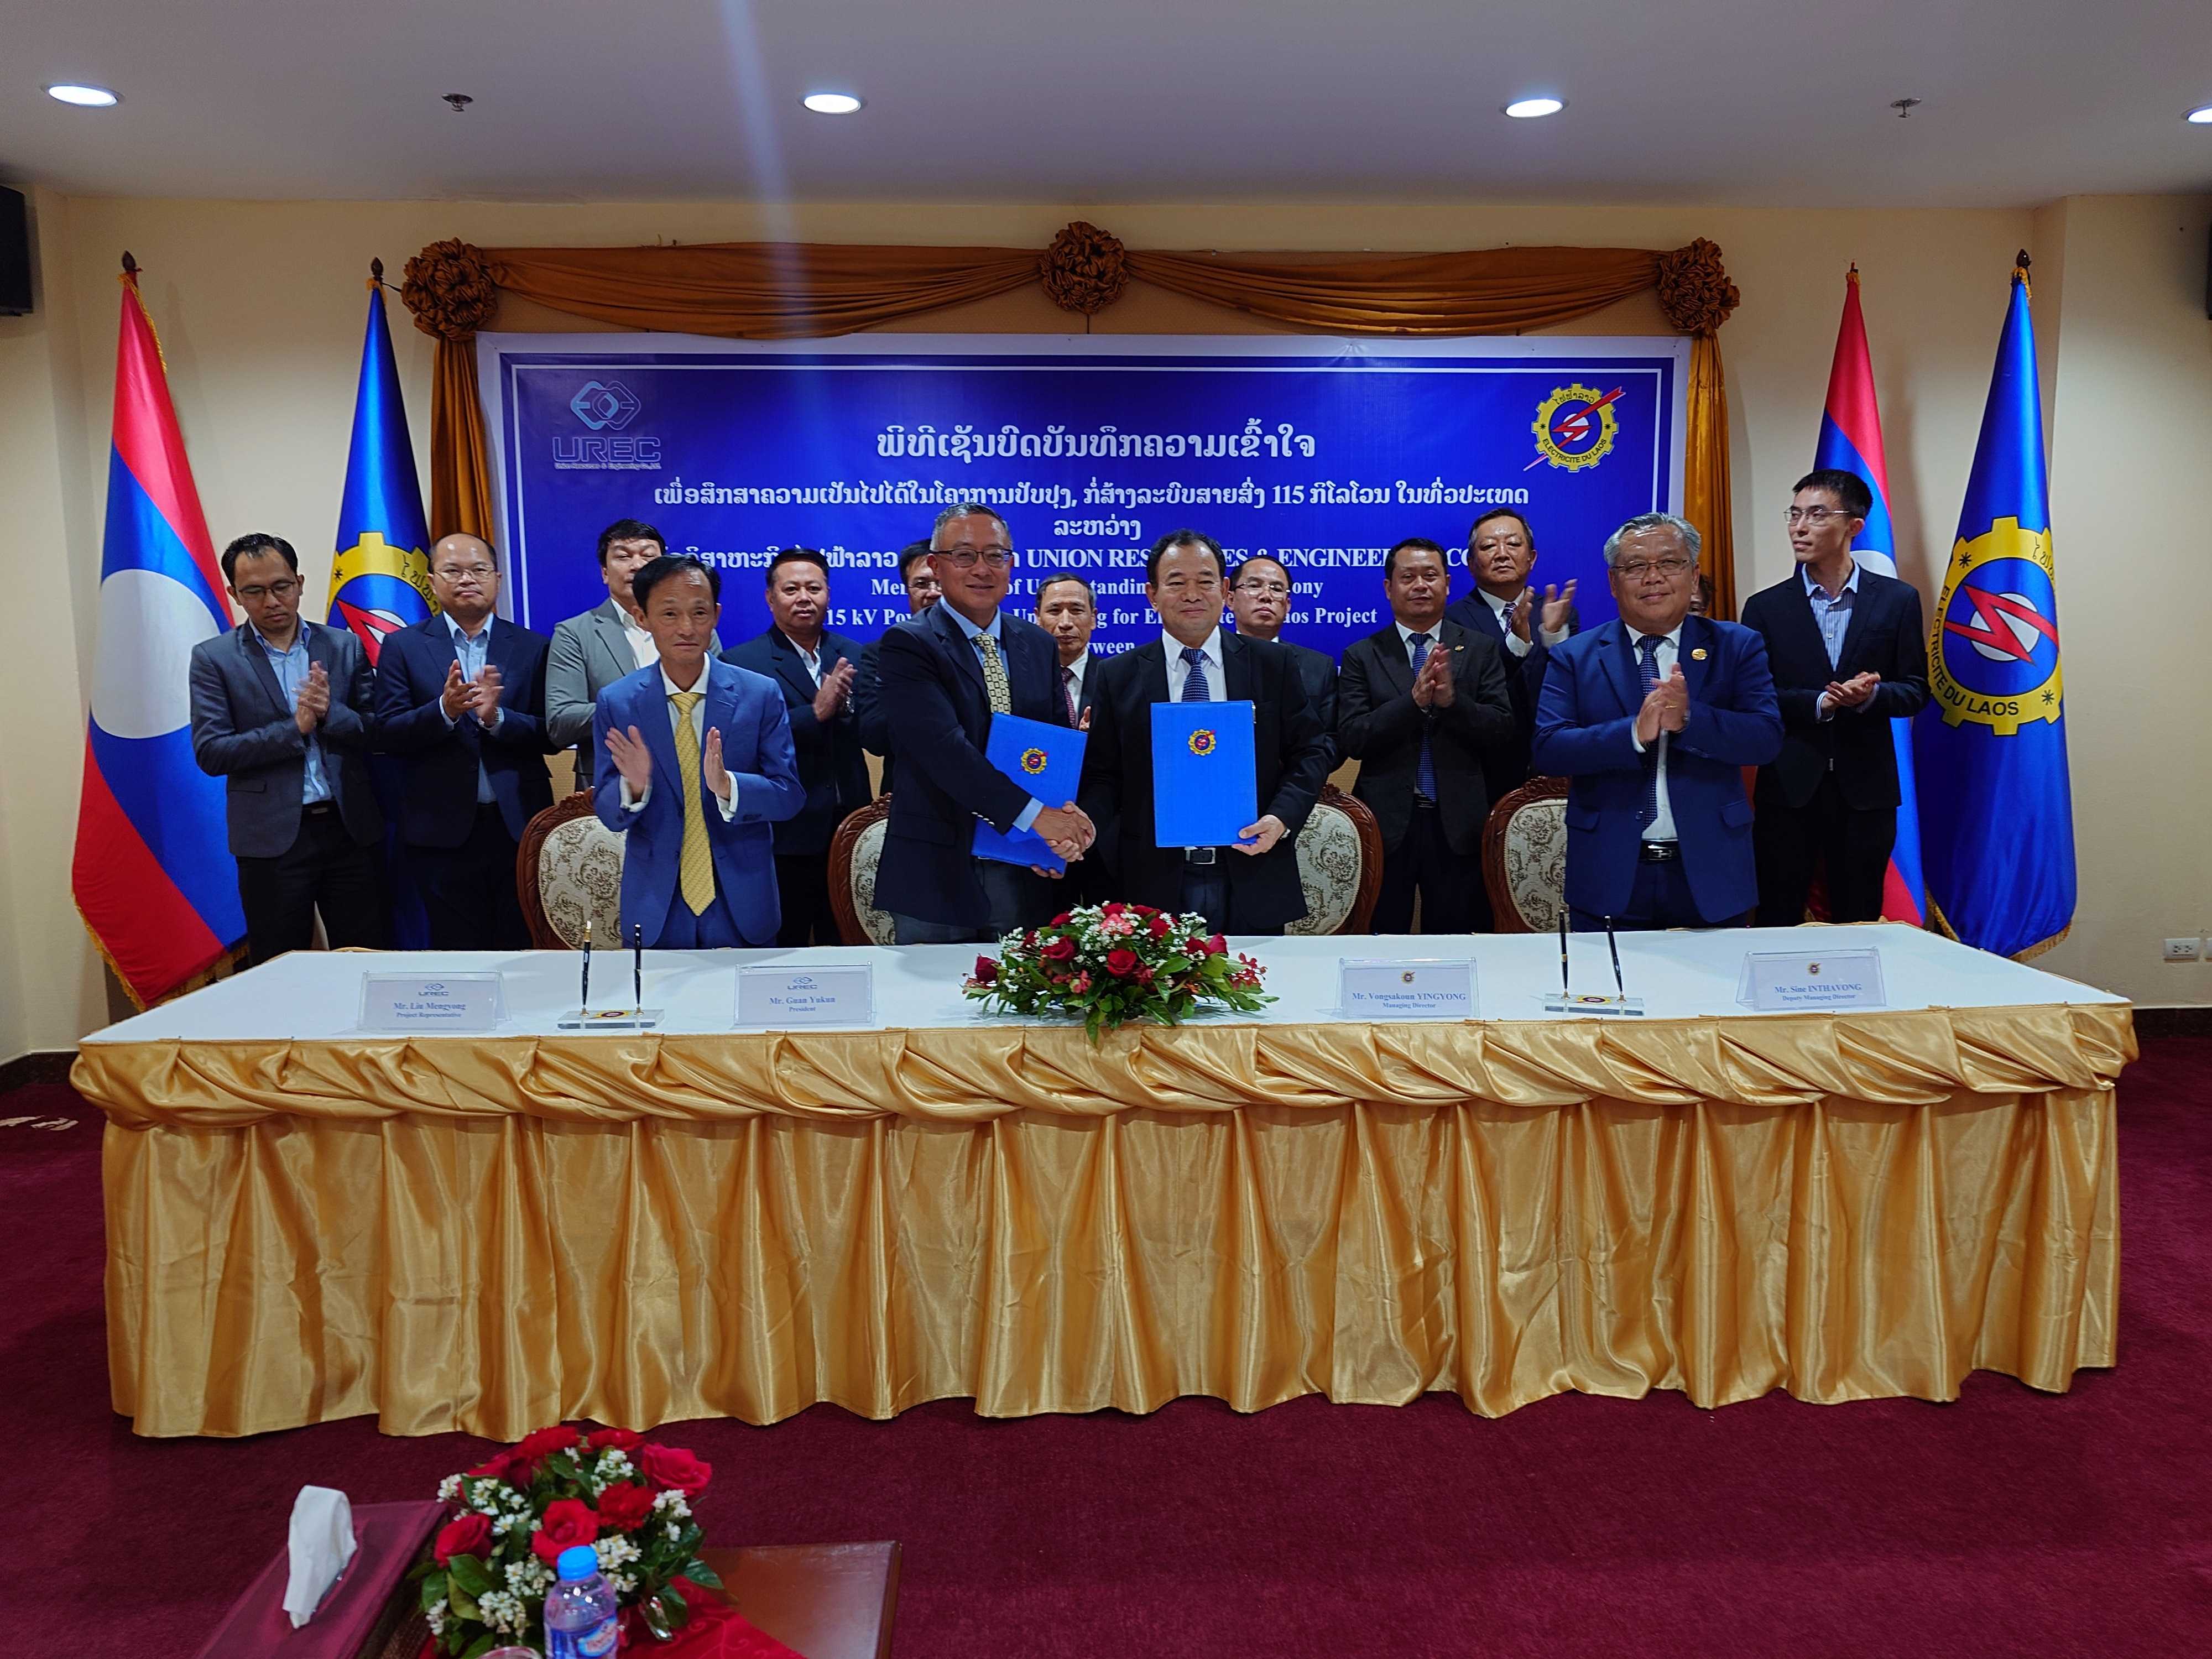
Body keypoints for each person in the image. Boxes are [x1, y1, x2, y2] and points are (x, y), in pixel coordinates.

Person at [1532, 513, 1782, 931]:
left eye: (1669, 563)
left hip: (1711, 872)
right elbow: (1549, 749)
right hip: (1609, 872)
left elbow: (1766, 739)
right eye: (1635, 566)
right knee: (1606, 977)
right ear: (1613, 582)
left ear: (1693, 575)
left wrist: (1689, 719)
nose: (1653, 577)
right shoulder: (1574, 656)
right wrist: (1632, 733)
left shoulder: (1736, 646)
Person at [1079, 529, 1331, 935]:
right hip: (1152, 879)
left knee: (1255, 979)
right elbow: (1103, 775)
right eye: (1177, 583)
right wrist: (1085, 826)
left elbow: (1311, 752)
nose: (1192, 594)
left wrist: (1280, 818)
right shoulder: (1118, 675)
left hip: (1252, 869)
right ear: (1152, 594)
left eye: (1205, 581)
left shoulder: (1273, 664)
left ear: (1226, 590)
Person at [875, 504, 1092, 943]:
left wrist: (1060, 831)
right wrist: (1039, 818)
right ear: (936, 565)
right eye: (964, 555)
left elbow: (1051, 748)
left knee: (1025, 985)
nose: (981, 569)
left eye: (996, 555)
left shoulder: (1037, 643)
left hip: (1023, 864)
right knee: (935, 990)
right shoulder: (909, 644)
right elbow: (945, 751)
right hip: (937, 870)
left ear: (1011, 564)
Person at [1741, 468, 1930, 925]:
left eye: (1817, 515)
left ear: (1854, 526)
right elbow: (1753, 695)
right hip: (1789, 789)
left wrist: (1871, 696)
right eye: (1795, 515)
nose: (1800, 527)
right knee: (1777, 915)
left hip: (1866, 790)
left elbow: (1916, 689)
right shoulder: (1765, 607)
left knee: (1860, 917)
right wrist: (1820, 704)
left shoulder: (1897, 600)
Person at [187, 531, 387, 964]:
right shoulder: (214, 659)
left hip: (349, 830)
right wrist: (293, 729)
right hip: (271, 839)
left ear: (299, 583)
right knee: (280, 966)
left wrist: (331, 713)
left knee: (365, 958)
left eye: (281, 586)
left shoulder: (344, 646)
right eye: (254, 591)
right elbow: (212, 752)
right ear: (234, 595)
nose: (272, 601)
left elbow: (377, 733)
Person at [594, 555, 805, 948]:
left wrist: (729, 787)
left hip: (742, 901)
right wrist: (633, 787)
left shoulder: (759, 694)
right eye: (669, 614)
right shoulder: (619, 702)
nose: (687, 628)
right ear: (642, 618)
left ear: (717, 615)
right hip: (658, 904)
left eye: (699, 612)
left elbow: (789, 795)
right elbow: (608, 812)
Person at [374, 533, 555, 949]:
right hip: (440, 830)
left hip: (518, 827)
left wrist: (497, 719)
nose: (467, 579)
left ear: (498, 579)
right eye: (453, 571)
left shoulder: (533, 646)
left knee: (522, 946)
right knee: (457, 951)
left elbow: (550, 733)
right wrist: (445, 710)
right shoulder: (402, 646)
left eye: (478, 570)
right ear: (432, 581)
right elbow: (388, 732)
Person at [1336, 537, 1516, 933]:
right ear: (1389, 588)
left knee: (1455, 941)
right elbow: (1352, 737)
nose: (1420, 585)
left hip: (1459, 824)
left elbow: (1502, 730)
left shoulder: (1481, 650)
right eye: (1408, 577)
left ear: (1447, 584)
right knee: (1382, 939)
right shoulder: (1362, 655)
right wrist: (1413, 702)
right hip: (1385, 826)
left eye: (1431, 576)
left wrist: (1453, 703)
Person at [721, 547, 869, 945]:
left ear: (828, 595)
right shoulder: (742, 663)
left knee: (848, 946)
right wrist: (814, 712)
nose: (804, 598)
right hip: (785, 833)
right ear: (770, 598)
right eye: (791, 589)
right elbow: (744, 744)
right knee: (785, 947)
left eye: (814, 588)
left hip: (848, 827)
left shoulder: (855, 655)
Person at [547, 519, 719, 780]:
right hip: (611, 780)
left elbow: (720, 701)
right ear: (605, 572)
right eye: (623, 557)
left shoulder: (697, 629)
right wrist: (645, 705)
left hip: (695, 773)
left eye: (648, 556)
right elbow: (561, 721)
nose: (637, 565)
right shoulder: (575, 633)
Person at [1442, 509, 1579, 804]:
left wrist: (1553, 637)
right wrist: (1516, 643)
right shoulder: (1451, 621)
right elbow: (1468, 694)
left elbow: (1571, 689)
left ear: (1532, 558)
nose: (1502, 554)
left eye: (1514, 544)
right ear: (1470, 562)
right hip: (1481, 775)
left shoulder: (1559, 612)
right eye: (1489, 546)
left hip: (1551, 768)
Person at [1227, 554, 1339, 767]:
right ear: (1230, 599)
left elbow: (1331, 741)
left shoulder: (1318, 667)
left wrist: (1298, 776)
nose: (1266, 596)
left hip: (1296, 781)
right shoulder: (1210, 661)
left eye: (1277, 589)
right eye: (1254, 586)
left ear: (1287, 605)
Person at [854, 539, 941, 796]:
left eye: (941, 583)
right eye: (921, 584)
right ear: (907, 591)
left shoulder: (983, 646)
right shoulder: (881, 653)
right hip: (910, 795)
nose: (933, 592)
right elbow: (874, 737)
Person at [1035, 571, 1100, 727]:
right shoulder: (1021, 678)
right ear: (1038, 618)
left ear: (1093, 618)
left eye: (1076, 610)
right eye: (1055, 611)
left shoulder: (1116, 680)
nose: (1066, 623)